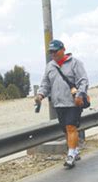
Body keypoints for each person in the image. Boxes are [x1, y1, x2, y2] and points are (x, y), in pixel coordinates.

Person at [35, 40, 89, 168]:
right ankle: (74, 150)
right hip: (58, 104)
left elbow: (83, 81)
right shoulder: (50, 66)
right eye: (51, 52)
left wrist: (80, 95)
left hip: (73, 103)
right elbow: (46, 84)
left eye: (55, 51)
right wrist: (40, 95)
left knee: (71, 127)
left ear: (63, 49)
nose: (53, 54)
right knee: (66, 129)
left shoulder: (75, 63)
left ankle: (70, 155)